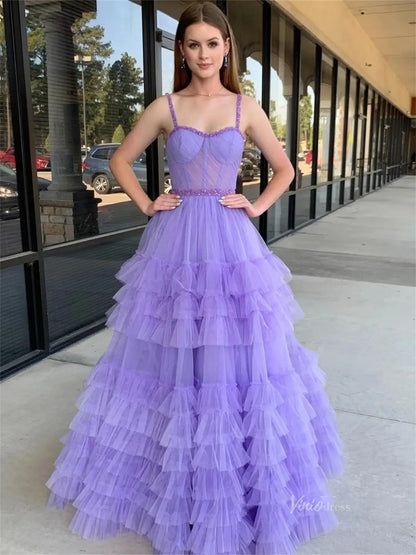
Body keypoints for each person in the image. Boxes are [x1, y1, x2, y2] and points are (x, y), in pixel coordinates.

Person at [45, 3, 344, 554]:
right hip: (177, 240)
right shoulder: (166, 107)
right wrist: (147, 203)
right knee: (174, 351)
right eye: (192, 44)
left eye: (212, 43)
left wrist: (255, 207)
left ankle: (236, 480)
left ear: (226, 48)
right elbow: (121, 160)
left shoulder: (245, 108)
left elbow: (285, 169)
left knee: (238, 349)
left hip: (230, 239)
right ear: (180, 50)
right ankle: (172, 479)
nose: (203, 54)